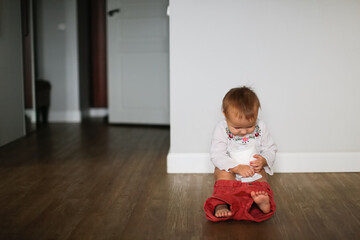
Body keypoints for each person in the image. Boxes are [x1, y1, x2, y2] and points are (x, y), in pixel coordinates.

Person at [204, 86, 277, 222]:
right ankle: (221, 204)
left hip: (253, 168)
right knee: (221, 173)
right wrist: (236, 168)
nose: (244, 132)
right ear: (225, 115)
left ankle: (258, 202)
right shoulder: (221, 128)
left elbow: (270, 148)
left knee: (261, 175)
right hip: (231, 169)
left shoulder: (261, 127)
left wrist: (264, 159)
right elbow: (217, 155)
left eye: (250, 126)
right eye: (237, 127)